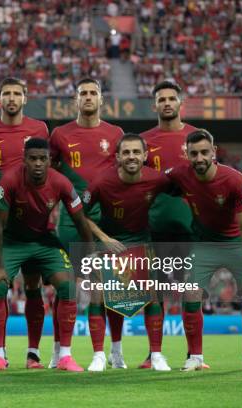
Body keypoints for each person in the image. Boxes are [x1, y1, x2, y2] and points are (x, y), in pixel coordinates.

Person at [0, 138, 93, 372]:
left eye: (43, 159)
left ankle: (64, 356)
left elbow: (82, 224)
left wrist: (87, 262)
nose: (38, 164)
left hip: (44, 240)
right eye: (33, 159)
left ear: (50, 161)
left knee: (67, 287)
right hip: (12, 241)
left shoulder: (61, 182)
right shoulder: (10, 180)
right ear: (24, 160)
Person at [165, 129, 242, 372]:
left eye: (204, 152)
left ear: (214, 152)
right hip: (203, 244)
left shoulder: (235, 180)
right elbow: (156, 180)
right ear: (187, 154)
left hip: (235, 244)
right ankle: (195, 357)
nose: (199, 158)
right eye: (193, 153)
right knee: (190, 295)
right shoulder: (180, 174)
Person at [49, 77, 124, 369]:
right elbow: (49, 174)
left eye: (94, 93)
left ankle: (109, 352)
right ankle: (58, 351)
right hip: (70, 222)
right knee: (65, 287)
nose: (89, 97)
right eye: (84, 93)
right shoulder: (60, 134)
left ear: (102, 99)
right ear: (76, 100)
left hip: (106, 221)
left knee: (105, 288)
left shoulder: (115, 133)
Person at [0, 77, 50, 368]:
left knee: (33, 285)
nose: (11, 98)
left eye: (17, 93)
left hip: (32, 219)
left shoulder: (39, 129)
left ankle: (33, 353)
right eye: (6, 93)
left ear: (25, 97)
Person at [82, 133, 172, 371]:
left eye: (136, 152)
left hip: (142, 241)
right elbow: (80, 213)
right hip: (111, 243)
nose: (131, 156)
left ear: (145, 156)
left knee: (153, 295)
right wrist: (103, 238)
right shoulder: (102, 182)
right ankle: (102, 355)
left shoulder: (158, 180)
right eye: (126, 152)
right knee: (101, 294)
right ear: (118, 157)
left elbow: (182, 191)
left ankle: (156, 355)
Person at [138, 80, 204, 369]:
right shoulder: (142, 142)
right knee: (154, 292)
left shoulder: (195, 138)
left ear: (180, 103)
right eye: (161, 99)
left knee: (191, 290)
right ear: (154, 105)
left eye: (171, 98)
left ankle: (195, 356)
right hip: (152, 228)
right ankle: (154, 354)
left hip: (191, 227)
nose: (166, 103)